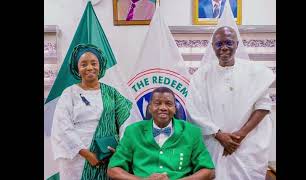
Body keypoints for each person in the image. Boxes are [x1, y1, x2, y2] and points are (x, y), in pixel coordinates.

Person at [186, 26, 275, 180]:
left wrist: (240, 135)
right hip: (214, 142)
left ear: (237, 44)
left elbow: (263, 107)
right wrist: (219, 135)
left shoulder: (255, 72)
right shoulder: (201, 75)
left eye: (229, 42)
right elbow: (194, 110)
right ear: (213, 46)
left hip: (247, 143)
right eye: (219, 44)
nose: (224, 48)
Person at [51, 44, 132, 180]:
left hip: (107, 157)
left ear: (100, 66)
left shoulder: (112, 93)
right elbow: (62, 127)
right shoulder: (69, 93)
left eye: (94, 63)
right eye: (84, 64)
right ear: (77, 68)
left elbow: (126, 122)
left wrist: (120, 150)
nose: (89, 68)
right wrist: (87, 154)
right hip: (77, 160)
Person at [107, 87, 215, 180]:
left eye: (168, 104)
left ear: (175, 108)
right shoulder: (132, 131)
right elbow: (113, 170)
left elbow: (209, 171)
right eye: (157, 103)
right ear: (149, 108)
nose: (163, 108)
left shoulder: (192, 132)